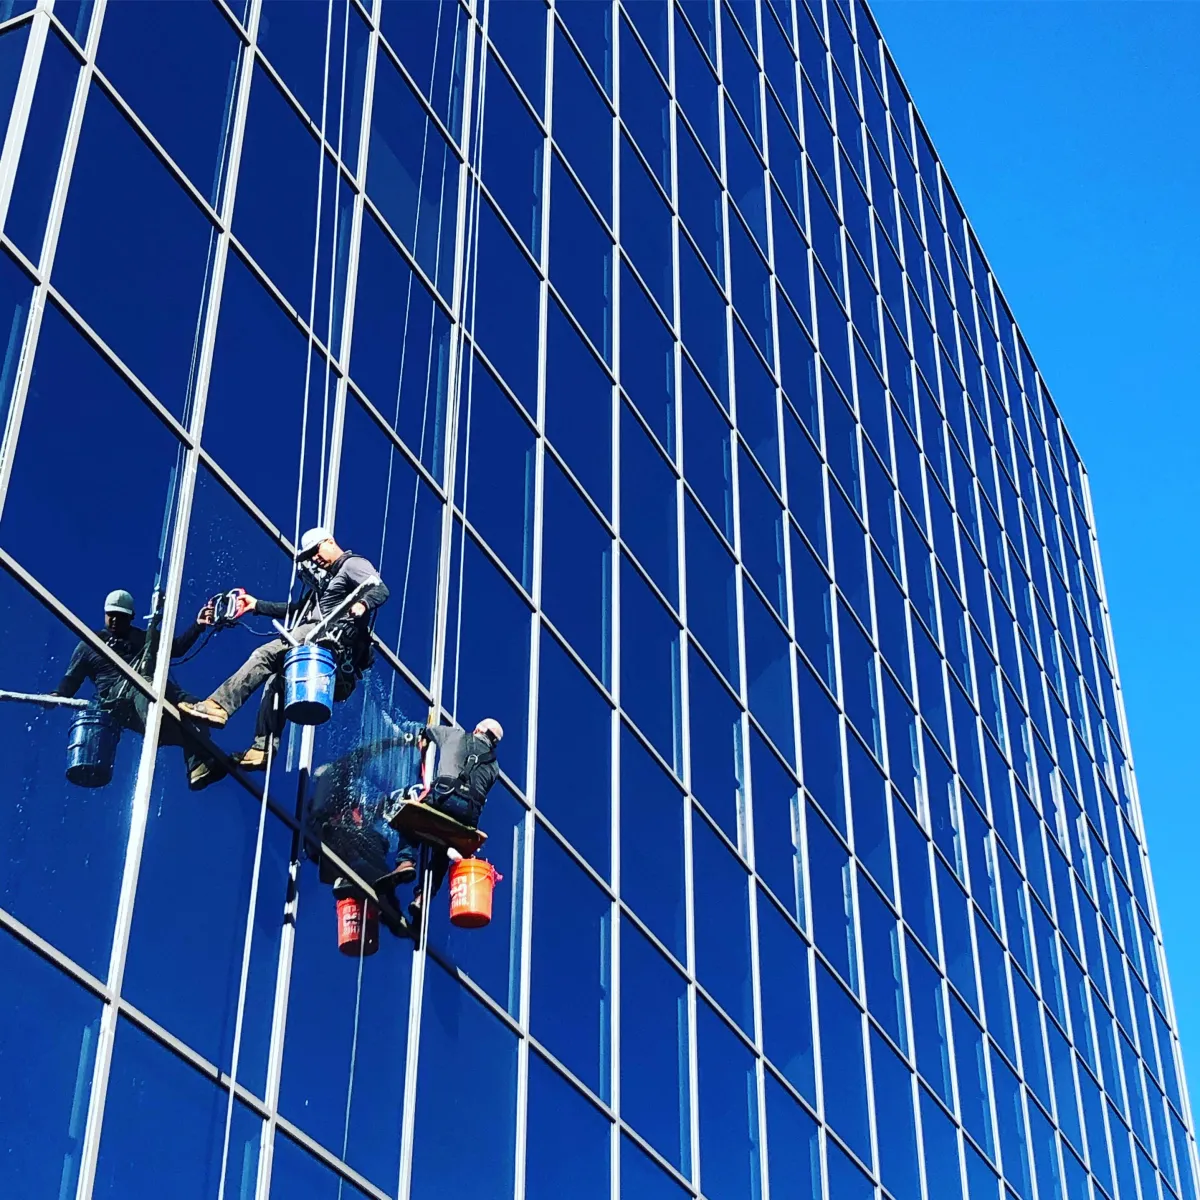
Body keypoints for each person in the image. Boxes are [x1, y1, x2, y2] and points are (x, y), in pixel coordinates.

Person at [180, 527, 389, 767]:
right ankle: (263, 748)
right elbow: (298, 610)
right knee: (277, 680)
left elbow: (380, 588)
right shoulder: (326, 584)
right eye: (309, 554)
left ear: (330, 541)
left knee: (265, 655)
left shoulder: (351, 565)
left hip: (326, 636)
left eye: (316, 550)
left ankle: (218, 706)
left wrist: (363, 603)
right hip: (322, 639)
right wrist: (256, 605)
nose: (315, 558)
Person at [54, 589, 222, 790]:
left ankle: (198, 766)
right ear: (105, 614)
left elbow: (175, 648)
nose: (115, 620)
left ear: (131, 617)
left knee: (198, 709)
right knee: (144, 685)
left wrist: (198, 626)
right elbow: (71, 679)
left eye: (121, 617)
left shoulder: (142, 639)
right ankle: (158, 721)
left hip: (152, 689)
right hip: (121, 701)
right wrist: (58, 695)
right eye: (112, 615)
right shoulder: (89, 645)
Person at [388, 717, 503, 928]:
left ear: (477, 728)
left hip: (444, 798)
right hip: (467, 817)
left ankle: (405, 862)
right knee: (442, 853)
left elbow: (426, 730)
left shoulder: (455, 734)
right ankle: (422, 898)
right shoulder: (494, 768)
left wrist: (421, 740)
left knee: (409, 817)